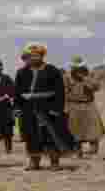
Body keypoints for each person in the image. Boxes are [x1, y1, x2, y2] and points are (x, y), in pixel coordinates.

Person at [14, 43, 76, 171]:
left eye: (37, 55)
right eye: (31, 56)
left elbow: (60, 91)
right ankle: (34, 161)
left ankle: (54, 162)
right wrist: (17, 108)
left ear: (42, 56)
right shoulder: (22, 72)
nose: (34, 58)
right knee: (31, 135)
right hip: (28, 109)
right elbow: (17, 92)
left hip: (48, 108)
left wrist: (56, 109)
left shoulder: (52, 70)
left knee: (51, 135)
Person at [64, 57, 105, 158]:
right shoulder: (67, 77)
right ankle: (77, 152)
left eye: (80, 67)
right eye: (75, 67)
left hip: (89, 105)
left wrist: (85, 78)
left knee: (94, 129)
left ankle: (93, 152)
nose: (77, 69)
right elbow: (63, 92)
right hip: (73, 105)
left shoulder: (90, 74)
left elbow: (96, 87)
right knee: (74, 130)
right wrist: (65, 107)